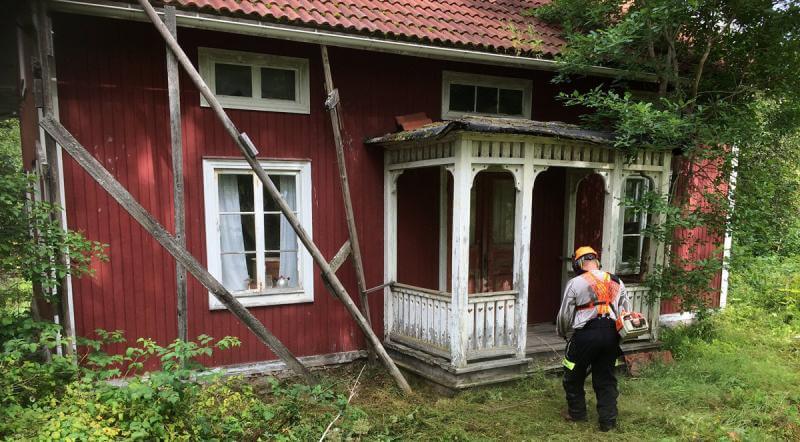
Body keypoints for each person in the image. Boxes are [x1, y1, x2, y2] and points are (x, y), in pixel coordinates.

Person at [556, 246, 637, 432]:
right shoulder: (617, 280)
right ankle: (607, 422)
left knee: (572, 372)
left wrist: (562, 333)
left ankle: (577, 413)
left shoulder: (575, 283)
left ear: (578, 264)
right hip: (611, 334)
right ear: (597, 262)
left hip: (586, 334)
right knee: (606, 378)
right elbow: (626, 311)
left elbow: (564, 316)